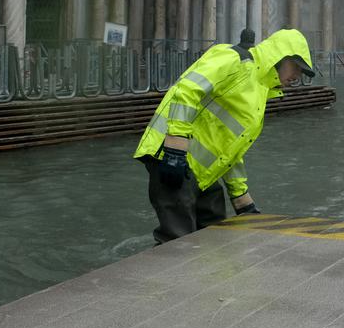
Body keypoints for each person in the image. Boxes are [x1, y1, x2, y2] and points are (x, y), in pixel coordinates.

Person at [132, 28, 315, 243]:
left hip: (199, 171)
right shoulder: (235, 59)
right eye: (296, 67)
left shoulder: (259, 89)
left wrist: (240, 197)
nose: (297, 76)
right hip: (171, 157)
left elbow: (230, 150)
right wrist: (175, 147)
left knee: (215, 228)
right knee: (177, 240)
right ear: (280, 57)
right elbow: (187, 89)